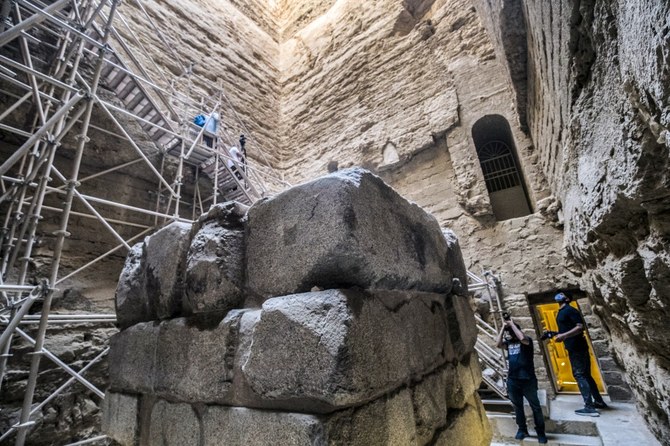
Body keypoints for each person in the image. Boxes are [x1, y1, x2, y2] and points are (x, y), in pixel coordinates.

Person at [552, 292, 607, 417]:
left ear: (567, 298)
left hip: (577, 347)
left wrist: (564, 335)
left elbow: (579, 327)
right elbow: (566, 329)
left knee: (579, 374)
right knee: (586, 375)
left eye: (561, 294)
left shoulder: (570, 310)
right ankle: (598, 401)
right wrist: (554, 333)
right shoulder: (562, 312)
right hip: (574, 346)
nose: (558, 296)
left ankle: (589, 407)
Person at [497, 316, 547, 443]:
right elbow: (498, 344)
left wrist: (512, 324)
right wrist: (503, 327)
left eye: (512, 332)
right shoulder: (509, 344)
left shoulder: (527, 341)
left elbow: (523, 338)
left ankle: (540, 432)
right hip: (513, 380)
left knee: (535, 406)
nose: (511, 334)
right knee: (517, 406)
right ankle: (522, 429)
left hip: (527, 380)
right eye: (510, 332)